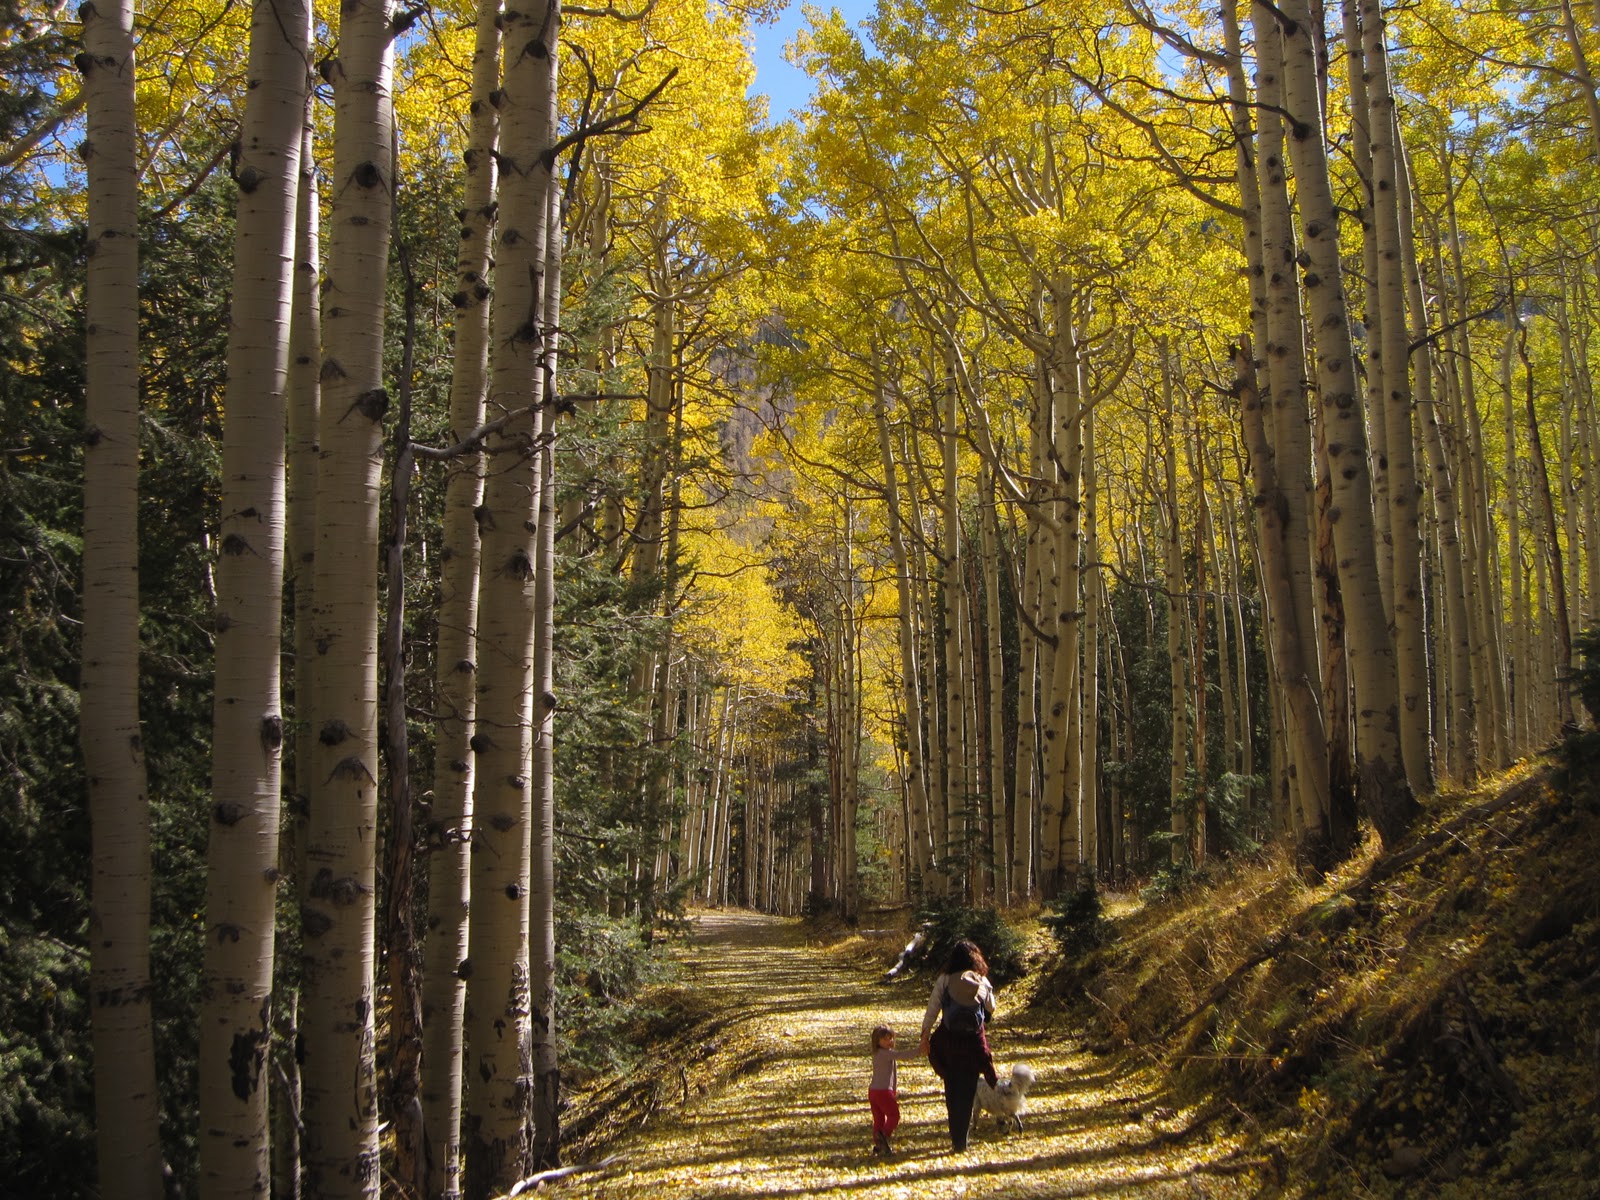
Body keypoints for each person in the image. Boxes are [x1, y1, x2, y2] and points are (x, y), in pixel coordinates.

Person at [919, 939, 997, 1152]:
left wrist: (925, 1035)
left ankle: (956, 1138)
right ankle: (963, 1137)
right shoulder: (980, 979)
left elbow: (933, 1007)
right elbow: (991, 1006)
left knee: (952, 1090)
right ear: (975, 957)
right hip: (973, 1043)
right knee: (968, 1089)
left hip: (949, 1042)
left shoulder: (945, 978)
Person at [867, 1023, 922, 1156]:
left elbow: (893, 1074)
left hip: (874, 1091)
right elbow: (903, 1055)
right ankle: (883, 1136)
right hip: (882, 1091)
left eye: (890, 1038)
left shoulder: (880, 1054)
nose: (889, 1042)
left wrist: (894, 1089)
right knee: (894, 1116)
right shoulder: (885, 1054)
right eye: (885, 1039)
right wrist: (920, 1050)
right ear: (877, 1041)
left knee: (879, 1119)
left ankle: (879, 1144)